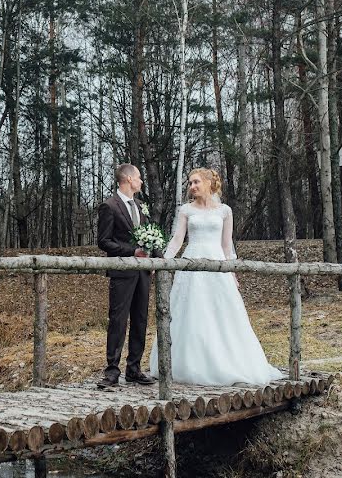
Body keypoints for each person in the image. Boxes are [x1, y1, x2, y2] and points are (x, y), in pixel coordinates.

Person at [149, 168, 283, 386]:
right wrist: (162, 261)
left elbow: (227, 245)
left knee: (221, 312)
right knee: (191, 312)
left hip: (217, 264)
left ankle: (226, 362)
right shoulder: (186, 210)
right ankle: (189, 363)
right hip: (191, 263)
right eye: (190, 183)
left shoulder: (225, 211)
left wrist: (232, 271)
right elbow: (177, 240)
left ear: (209, 183)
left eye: (196, 182)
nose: (192, 186)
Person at [96, 164, 157, 388]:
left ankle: (134, 369)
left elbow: (152, 236)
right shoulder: (109, 206)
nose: (141, 182)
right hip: (122, 272)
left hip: (142, 273)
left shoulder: (141, 206)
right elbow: (104, 241)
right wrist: (131, 252)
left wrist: (156, 259)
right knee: (118, 321)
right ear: (129, 179)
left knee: (140, 320)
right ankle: (112, 371)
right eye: (139, 178)